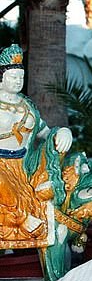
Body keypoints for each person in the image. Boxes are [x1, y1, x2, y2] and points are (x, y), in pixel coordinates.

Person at [0, 44, 72, 241]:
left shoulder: (27, 105)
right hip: (1, 165)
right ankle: (22, 219)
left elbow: (45, 132)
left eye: (20, 78)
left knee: (67, 175)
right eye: (12, 77)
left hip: (25, 165)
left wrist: (63, 132)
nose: (17, 82)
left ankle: (70, 226)